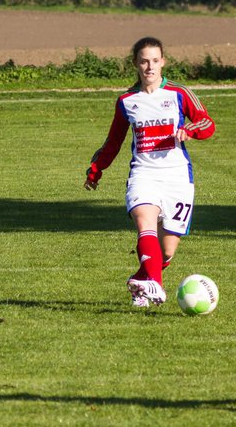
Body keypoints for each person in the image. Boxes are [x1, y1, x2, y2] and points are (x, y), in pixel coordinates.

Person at [84, 37, 215, 307]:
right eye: (144, 61)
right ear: (135, 64)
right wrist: (96, 169)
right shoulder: (127, 101)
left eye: (155, 61)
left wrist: (190, 130)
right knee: (145, 224)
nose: (150, 67)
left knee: (166, 251)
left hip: (178, 177)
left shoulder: (179, 94)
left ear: (163, 62)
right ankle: (155, 284)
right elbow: (113, 141)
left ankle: (141, 281)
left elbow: (207, 122)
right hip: (143, 174)